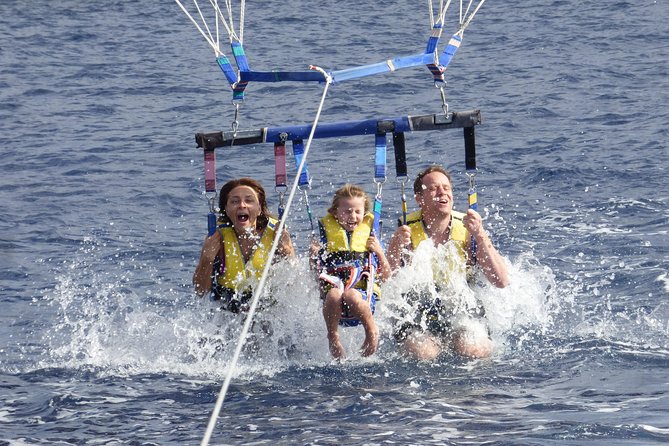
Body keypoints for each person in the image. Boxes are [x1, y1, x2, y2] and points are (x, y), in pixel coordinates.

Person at [387, 165, 509, 361]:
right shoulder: (406, 232)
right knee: (423, 353)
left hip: (461, 307)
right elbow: (387, 282)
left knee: (473, 350)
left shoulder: (470, 229)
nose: (442, 192)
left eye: (446, 188)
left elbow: (501, 280)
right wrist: (394, 247)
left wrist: (480, 234)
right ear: (419, 199)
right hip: (417, 310)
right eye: (434, 188)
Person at [310, 184, 391, 359]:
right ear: (335, 212)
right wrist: (313, 256)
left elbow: (386, 276)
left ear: (365, 213)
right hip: (336, 308)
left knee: (351, 295)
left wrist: (379, 252)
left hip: (363, 297)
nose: (352, 216)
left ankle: (371, 331)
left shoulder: (371, 239)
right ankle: (333, 336)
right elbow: (315, 277)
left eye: (357, 211)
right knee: (333, 294)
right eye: (347, 211)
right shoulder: (326, 242)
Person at [193, 178, 294, 313]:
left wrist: (286, 252)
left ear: (259, 209)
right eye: (234, 201)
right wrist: (207, 259)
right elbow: (200, 292)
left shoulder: (277, 234)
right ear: (227, 210)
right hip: (228, 310)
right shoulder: (217, 238)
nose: (242, 205)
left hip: (267, 309)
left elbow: (293, 283)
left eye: (249, 200)